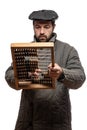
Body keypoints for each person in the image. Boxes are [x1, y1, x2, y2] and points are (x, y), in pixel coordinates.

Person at [5, 9, 86, 130]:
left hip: (57, 121)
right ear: (33, 27)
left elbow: (80, 77)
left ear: (53, 26)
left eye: (46, 27)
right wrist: (25, 74)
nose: (42, 31)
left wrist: (62, 74)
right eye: (38, 27)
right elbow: (9, 75)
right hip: (29, 121)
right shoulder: (25, 49)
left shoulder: (67, 50)